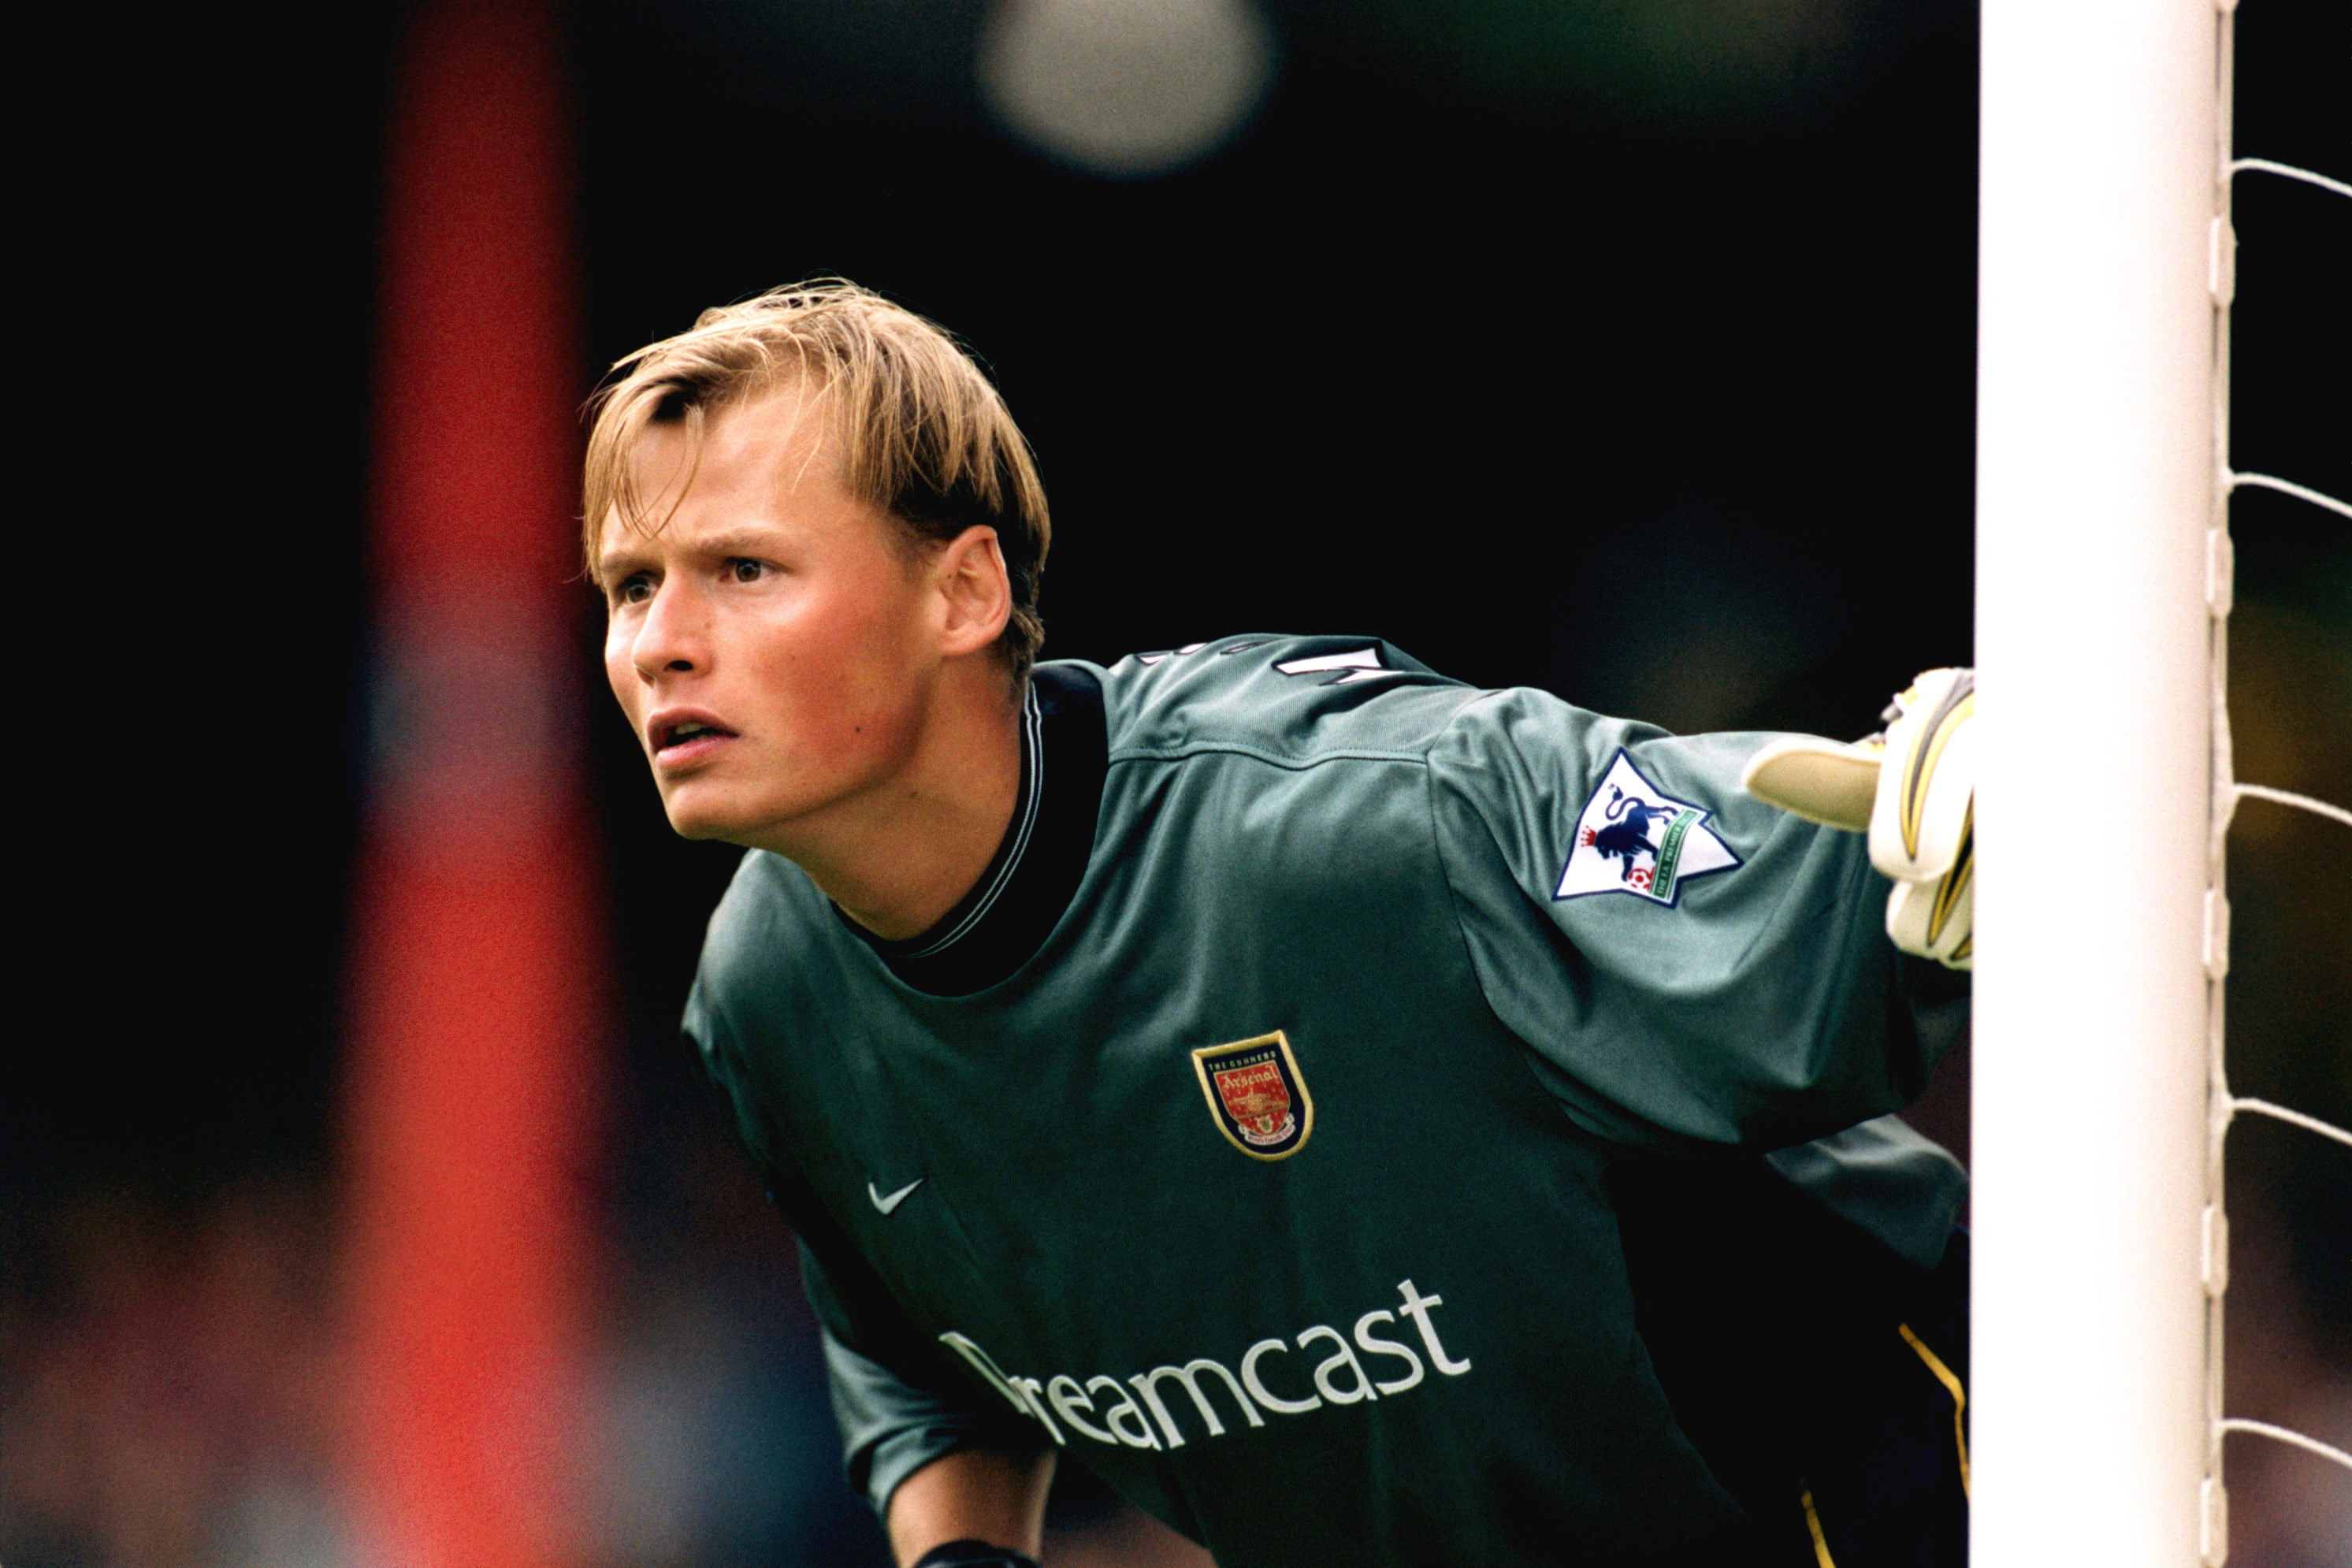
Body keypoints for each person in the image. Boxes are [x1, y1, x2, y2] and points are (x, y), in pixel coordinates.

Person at [586, 281, 1977, 1567]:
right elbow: (918, 1341)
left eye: (743, 568)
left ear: (964, 591)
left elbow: (1825, 873)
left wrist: (1966, 793)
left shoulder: (1361, 813)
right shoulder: (767, 994)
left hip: (1881, 1490)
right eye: (632, 585)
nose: (658, 643)